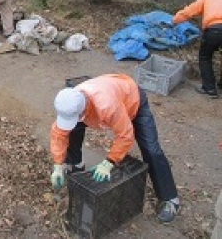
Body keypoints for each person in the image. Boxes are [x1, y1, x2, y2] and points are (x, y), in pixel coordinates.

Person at [49, 74, 180, 223]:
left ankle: (170, 199)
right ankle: (75, 164)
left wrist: (109, 162)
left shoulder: (106, 105)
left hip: (132, 99)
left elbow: (125, 135)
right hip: (105, 96)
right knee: (72, 130)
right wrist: (58, 165)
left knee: (151, 149)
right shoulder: (70, 100)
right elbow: (59, 133)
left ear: (83, 109)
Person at [172, 0, 222, 98]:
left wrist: (175, 20)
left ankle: (210, 89)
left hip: (214, 29)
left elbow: (189, 11)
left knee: (205, 57)